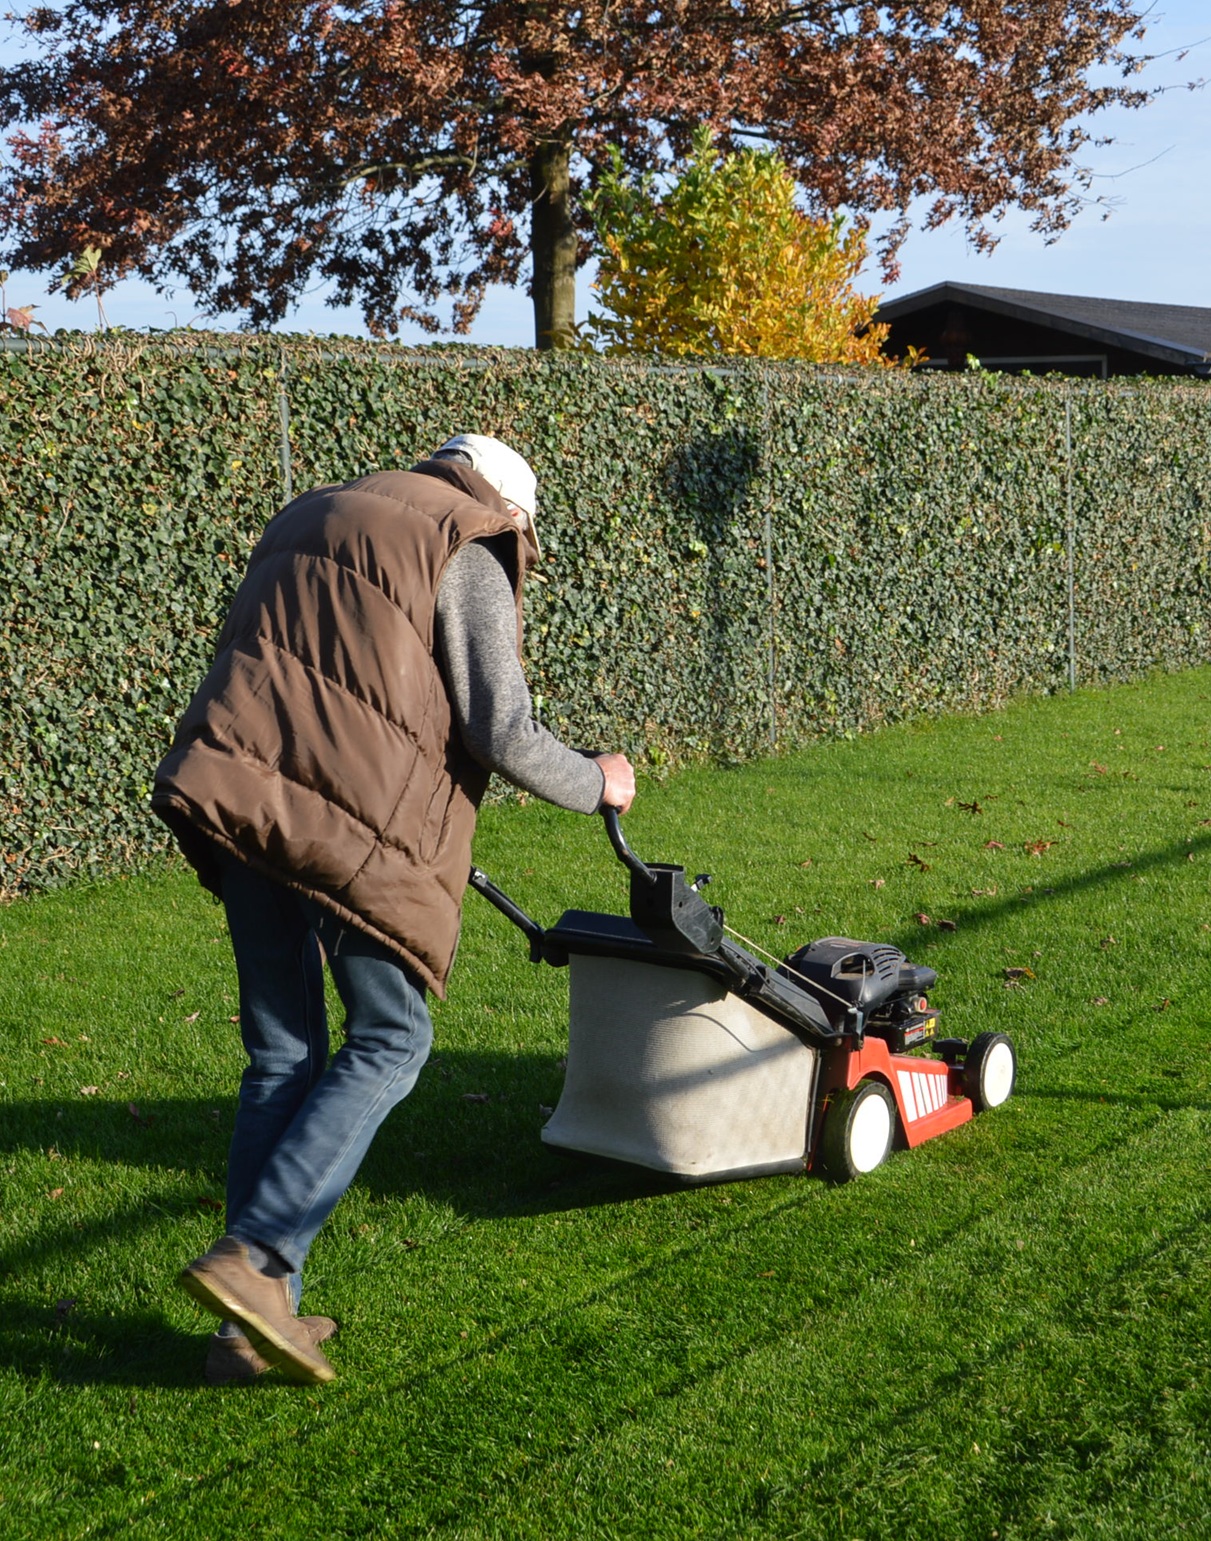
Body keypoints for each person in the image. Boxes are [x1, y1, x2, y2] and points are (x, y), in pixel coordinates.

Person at [152, 433, 635, 1386]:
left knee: (283, 1053)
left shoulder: (313, 510)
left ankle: (244, 1329)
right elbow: (498, 726)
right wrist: (597, 781)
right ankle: (253, 1262)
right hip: (340, 825)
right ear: (510, 507)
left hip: (235, 791)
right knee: (392, 1037)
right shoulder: (468, 541)